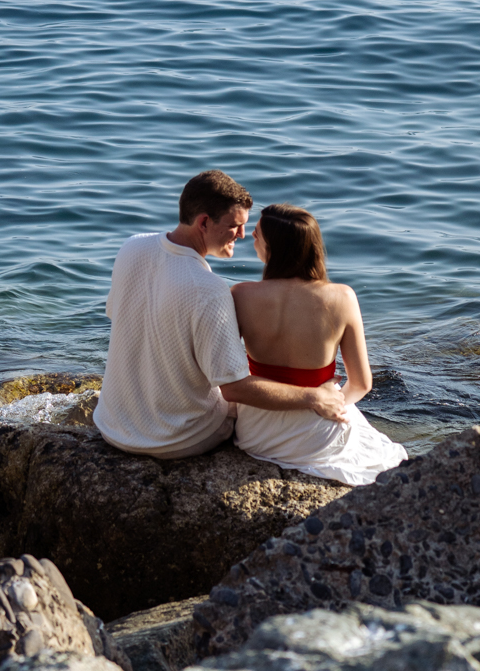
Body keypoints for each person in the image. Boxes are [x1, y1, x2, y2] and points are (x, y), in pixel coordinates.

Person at [93, 171, 347, 459]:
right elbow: (235, 389)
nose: (241, 235)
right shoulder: (208, 289)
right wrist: (314, 397)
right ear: (204, 222)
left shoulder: (132, 247)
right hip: (177, 438)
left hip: (112, 426)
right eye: (234, 225)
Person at [231, 203, 408, 486]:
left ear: (274, 247)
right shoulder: (342, 297)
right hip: (319, 437)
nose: (249, 239)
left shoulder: (240, 295)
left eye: (256, 236)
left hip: (258, 433)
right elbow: (362, 384)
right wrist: (331, 405)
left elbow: (225, 372)